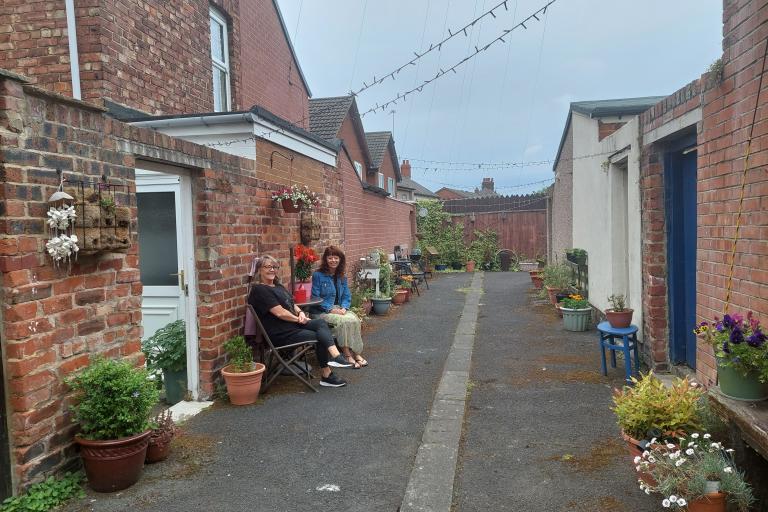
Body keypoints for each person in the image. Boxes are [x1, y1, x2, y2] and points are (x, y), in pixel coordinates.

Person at [248, 255, 353, 388]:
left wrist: (301, 312)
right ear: (259, 270)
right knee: (321, 336)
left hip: (293, 326)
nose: (272, 270)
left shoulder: (278, 286)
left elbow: (292, 304)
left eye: (274, 267)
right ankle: (327, 375)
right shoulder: (260, 290)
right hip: (280, 333)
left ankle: (336, 357)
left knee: (321, 323)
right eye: (268, 267)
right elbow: (280, 313)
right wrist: (298, 319)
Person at [311, 246, 367, 369]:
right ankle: (347, 355)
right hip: (322, 311)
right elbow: (315, 298)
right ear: (325, 259)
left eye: (336, 258)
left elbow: (347, 296)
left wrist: (344, 308)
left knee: (355, 319)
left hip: (340, 309)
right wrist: (331, 309)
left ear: (340, 260)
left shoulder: (342, 276)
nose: (333, 260)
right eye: (330, 258)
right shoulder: (318, 275)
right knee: (343, 321)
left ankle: (356, 353)